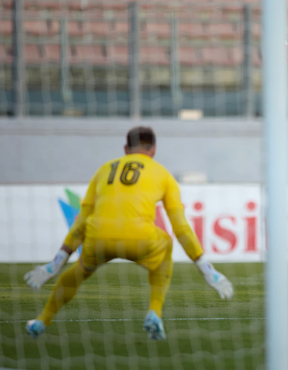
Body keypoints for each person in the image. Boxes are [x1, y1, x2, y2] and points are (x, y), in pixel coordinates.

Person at [25, 127, 234, 340]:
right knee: (166, 246)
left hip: (99, 239)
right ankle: (154, 312)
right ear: (153, 149)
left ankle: (42, 320)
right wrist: (207, 270)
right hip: (140, 240)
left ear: (126, 148)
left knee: (76, 273)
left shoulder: (103, 169)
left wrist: (56, 263)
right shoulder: (162, 174)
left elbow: (82, 222)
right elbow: (180, 227)